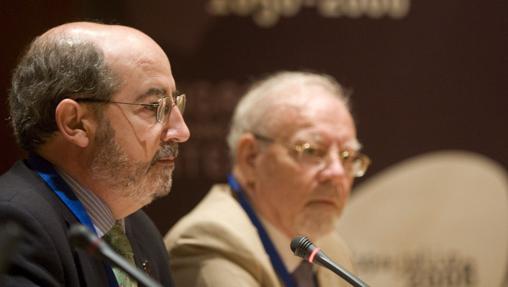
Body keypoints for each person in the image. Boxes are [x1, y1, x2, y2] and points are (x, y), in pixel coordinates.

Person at [0, 21, 190, 286]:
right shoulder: (14, 226)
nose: (181, 131)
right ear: (75, 123)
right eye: (153, 107)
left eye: (175, 104)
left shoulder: (141, 232)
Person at [165, 71, 371, 287]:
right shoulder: (208, 242)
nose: (337, 173)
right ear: (251, 158)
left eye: (347, 156)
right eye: (312, 151)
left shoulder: (330, 247)